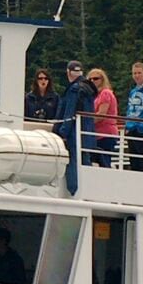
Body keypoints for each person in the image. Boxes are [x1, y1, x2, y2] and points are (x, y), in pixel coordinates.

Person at [54, 61, 97, 193]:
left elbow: (70, 112)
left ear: (68, 73)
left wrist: (63, 132)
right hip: (86, 132)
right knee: (85, 161)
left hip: (74, 133)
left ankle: (74, 191)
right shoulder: (88, 88)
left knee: (72, 160)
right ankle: (89, 191)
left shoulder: (74, 89)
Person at [87, 68, 119, 167]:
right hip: (96, 134)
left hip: (105, 134)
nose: (92, 81)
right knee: (98, 161)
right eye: (90, 79)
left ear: (102, 79)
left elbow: (101, 114)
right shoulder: (93, 95)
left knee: (104, 161)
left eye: (96, 78)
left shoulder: (105, 93)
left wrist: (86, 123)